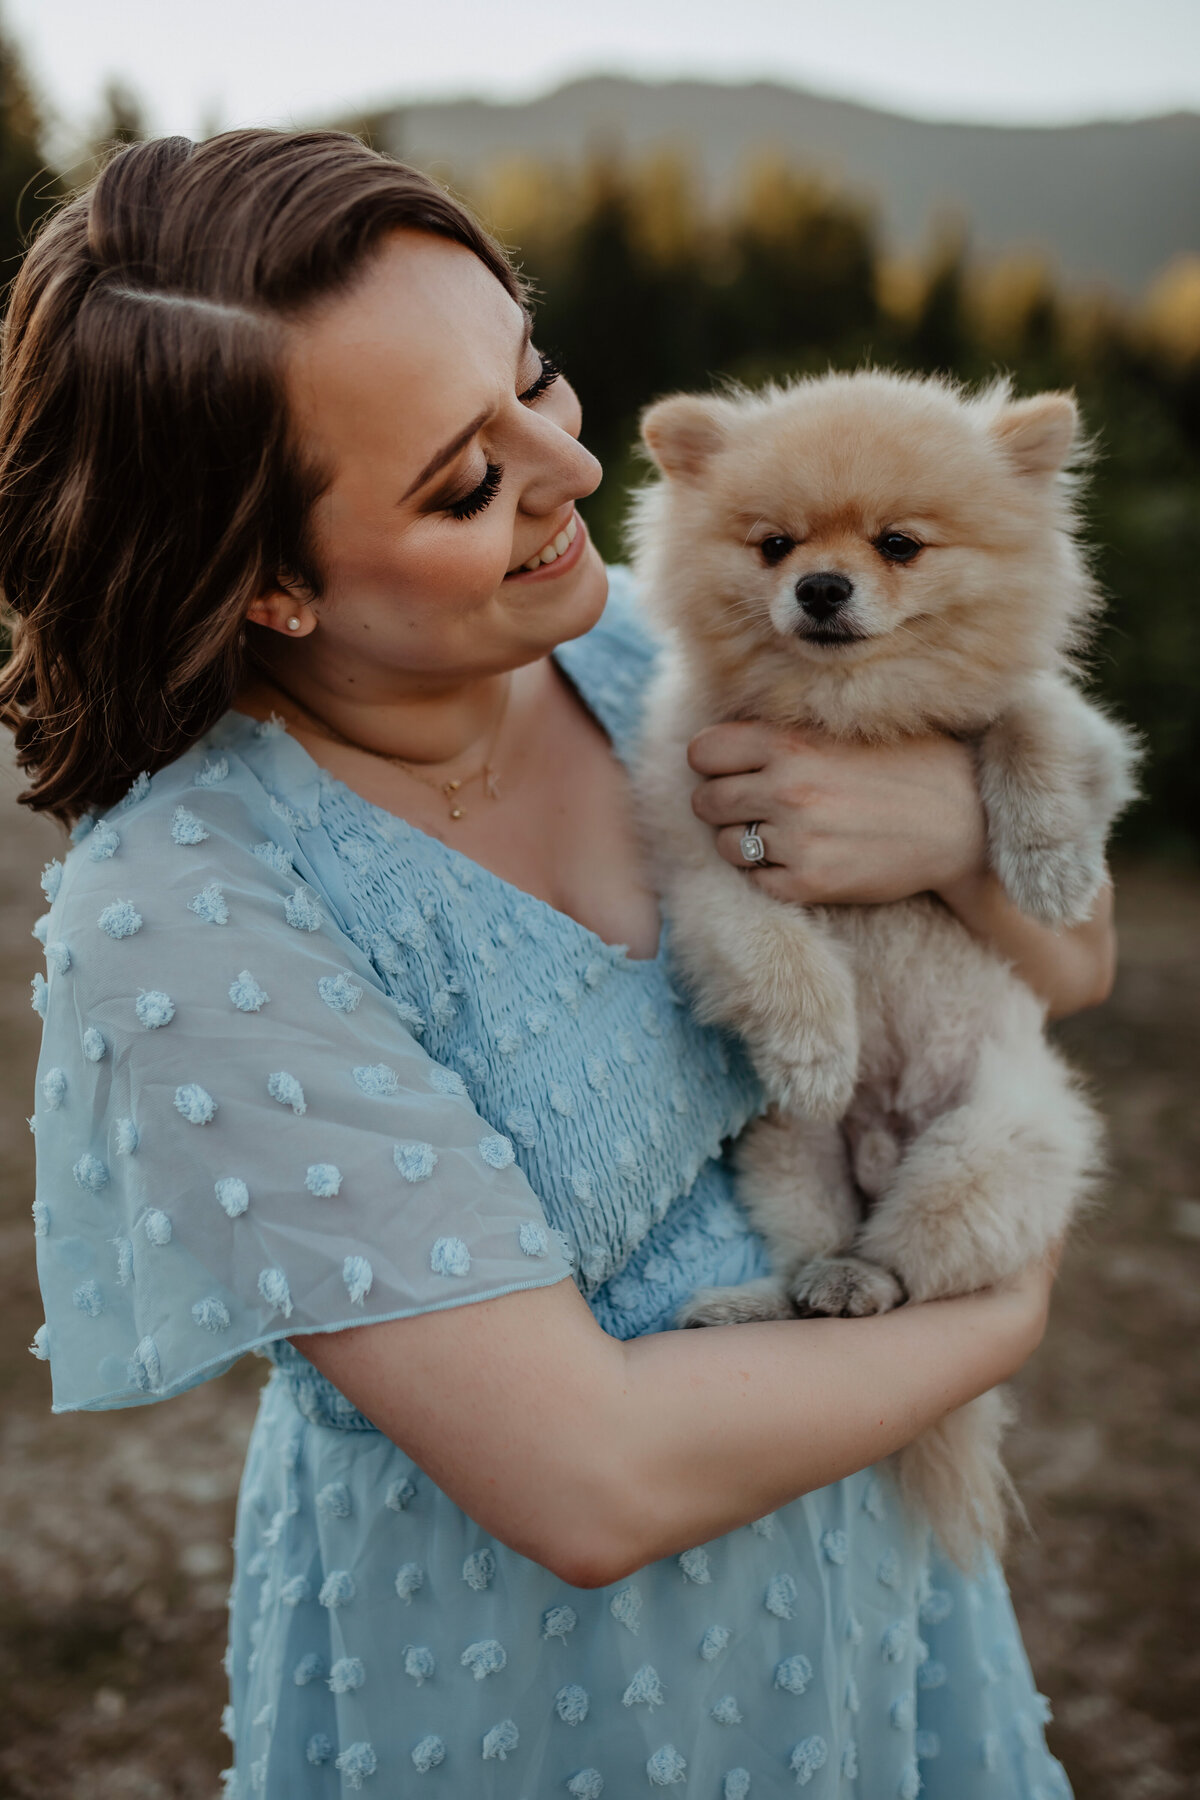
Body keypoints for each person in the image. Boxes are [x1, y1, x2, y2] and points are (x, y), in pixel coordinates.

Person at [1, 131, 1115, 1799]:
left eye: (538, 380)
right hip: (533, 1684)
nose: (571, 475)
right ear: (274, 585)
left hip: (879, 1602)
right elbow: (586, 1484)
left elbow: (1076, 955)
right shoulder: (194, 908)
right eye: (466, 481)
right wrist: (1001, 1305)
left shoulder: (655, 641)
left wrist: (955, 834)